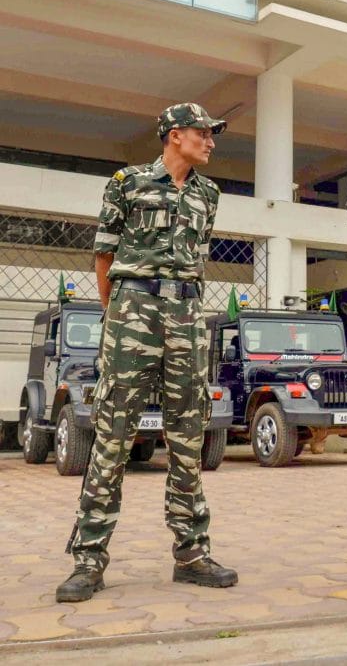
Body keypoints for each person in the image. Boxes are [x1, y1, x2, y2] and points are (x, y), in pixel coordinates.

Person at [56, 103, 237, 603]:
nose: (211, 142)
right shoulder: (128, 182)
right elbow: (104, 252)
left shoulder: (209, 194)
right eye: (204, 133)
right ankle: (88, 560)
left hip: (187, 312)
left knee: (189, 433)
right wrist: (116, 315)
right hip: (133, 308)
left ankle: (193, 553)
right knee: (113, 433)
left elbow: (197, 256)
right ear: (175, 135)